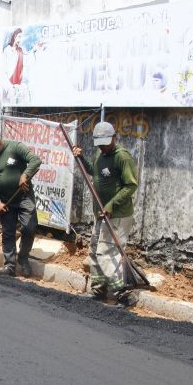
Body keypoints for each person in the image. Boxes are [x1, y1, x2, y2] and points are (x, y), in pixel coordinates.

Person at [71, 121, 139, 306]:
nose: (103, 146)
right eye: (100, 143)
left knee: (106, 252)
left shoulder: (122, 157)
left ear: (114, 138)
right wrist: (82, 158)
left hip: (117, 215)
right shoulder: (101, 155)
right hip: (101, 213)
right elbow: (94, 172)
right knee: (94, 249)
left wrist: (111, 204)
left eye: (106, 142)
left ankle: (124, 293)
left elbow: (131, 185)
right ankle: (98, 288)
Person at [0, 130, 41, 278]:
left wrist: (25, 174)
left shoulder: (15, 147)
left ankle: (23, 257)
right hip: (6, 200)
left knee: (29, 227)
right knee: (8, 233)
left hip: (24, 197)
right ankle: (10, 265)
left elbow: (35, 160)